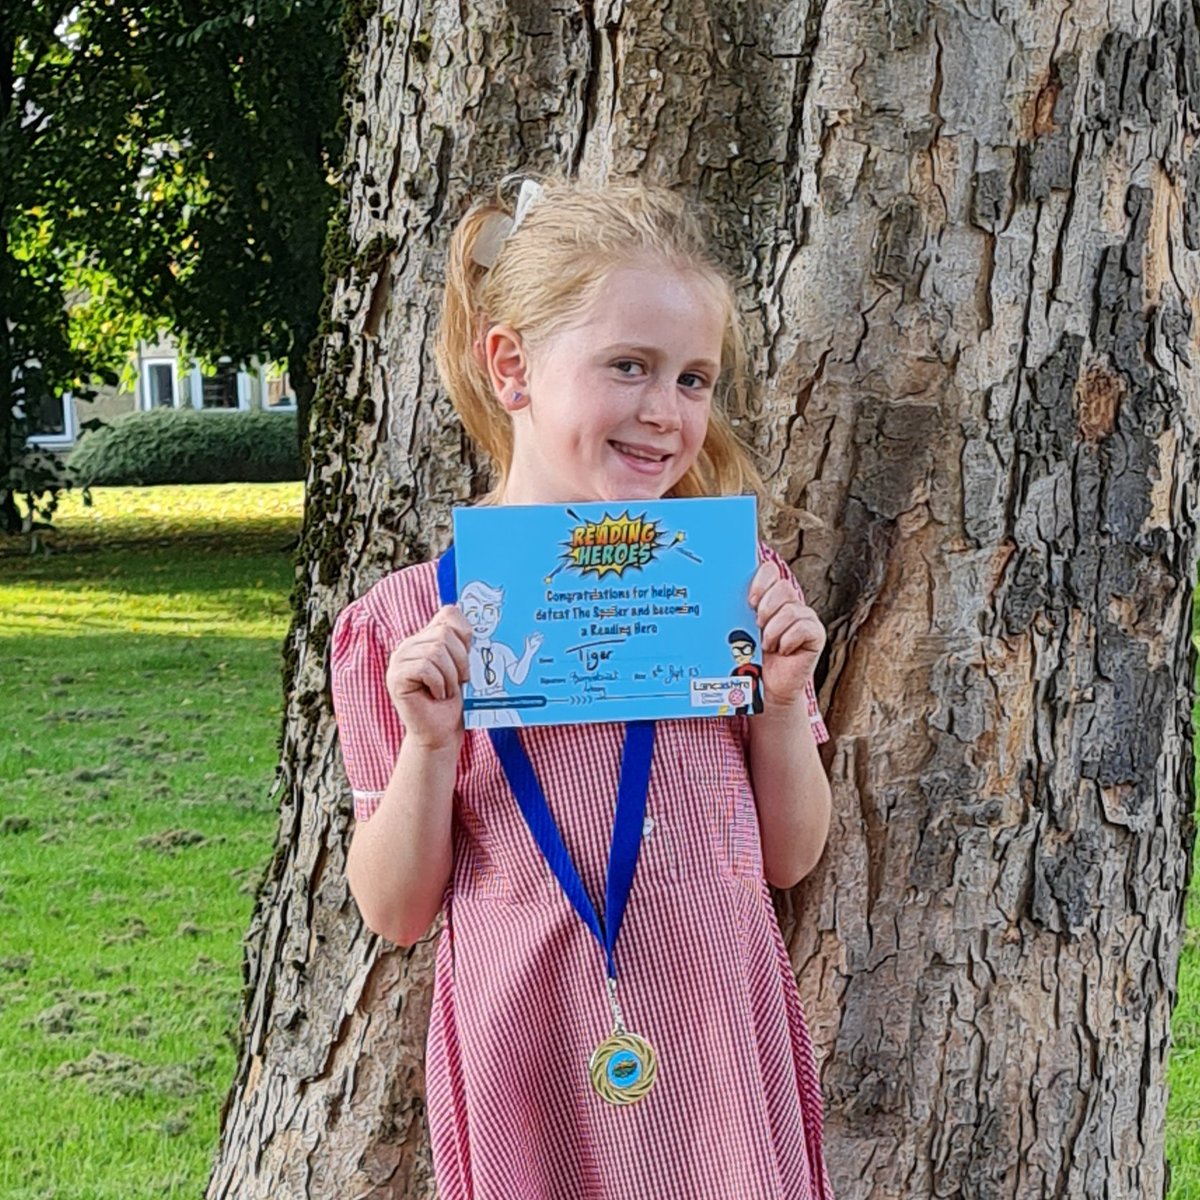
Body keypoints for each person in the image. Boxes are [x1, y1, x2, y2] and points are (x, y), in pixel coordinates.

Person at [330, 177, 833, 1200]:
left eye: (693, 379)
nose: (665, 411)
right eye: (628, 366)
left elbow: (790, 858)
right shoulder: (405, 624)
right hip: (531, 1046)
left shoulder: (730, 593)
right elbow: (394, 910)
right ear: (512, 366)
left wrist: (782, 704)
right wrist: (430, 744)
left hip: (712, 1039)